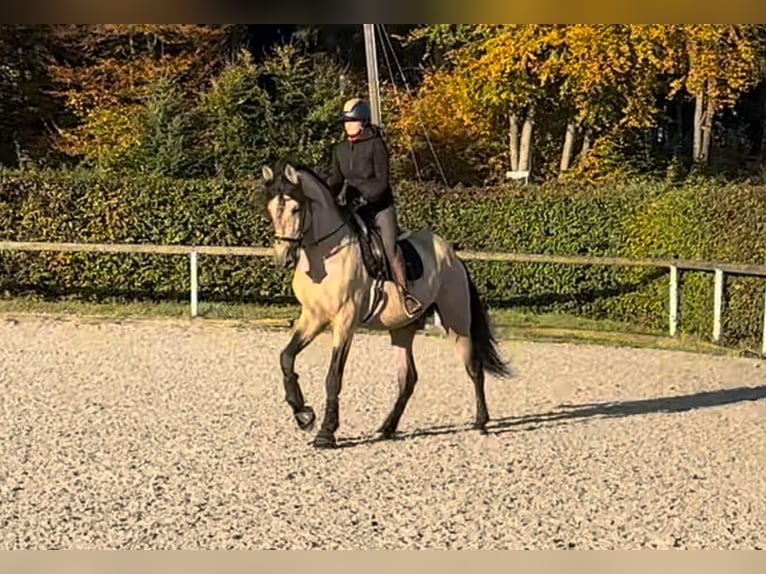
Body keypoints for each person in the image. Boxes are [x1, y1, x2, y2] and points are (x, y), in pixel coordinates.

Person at [326, 97, 423, 318]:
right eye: (345, 122)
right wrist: (324, 195)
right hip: (352, 207)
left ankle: (405, 295)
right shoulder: (339, 149)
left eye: (352, 121)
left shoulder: (377, 145)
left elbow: (382, 182)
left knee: (390, 249)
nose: (347, 125)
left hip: (379, 207)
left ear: (364, 122)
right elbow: (335, 181)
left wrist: (364, 198)